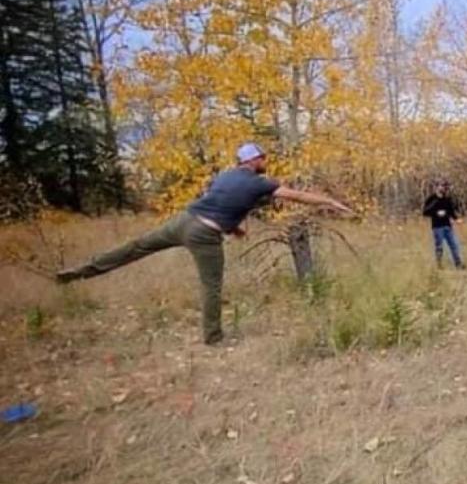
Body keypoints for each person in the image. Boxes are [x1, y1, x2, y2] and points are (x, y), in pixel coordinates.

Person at [56, 142, 353, 345]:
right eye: (263, 158)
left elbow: (221, 200)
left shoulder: (225, 176)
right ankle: (212, 338)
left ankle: (83, 271)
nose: (266, 161)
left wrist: (233, 228)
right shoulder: (261, 182)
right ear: (252, 160)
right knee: (211, 286)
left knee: (136, 247)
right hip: (203, 235)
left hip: (182, 221)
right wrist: (331, 202)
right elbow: (299, 196)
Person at [422, 179, 466, 270]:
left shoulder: (447, 199)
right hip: (437, 227)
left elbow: (451, 211)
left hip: (447, 226)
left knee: (454, 244)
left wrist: (456, 219)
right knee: (439, 246)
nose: (444, 188)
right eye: (442, 186)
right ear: (437, 187)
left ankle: (458, 264)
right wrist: (436, 213)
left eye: (445, 187)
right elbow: (425, 212)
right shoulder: (431, 199)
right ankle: (439, 265)